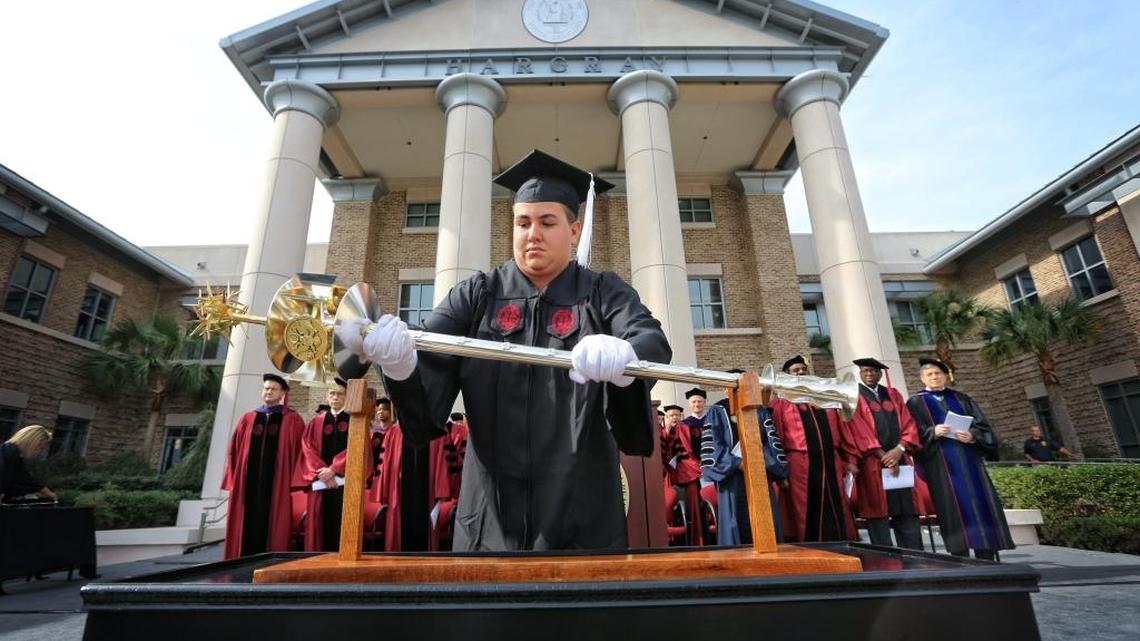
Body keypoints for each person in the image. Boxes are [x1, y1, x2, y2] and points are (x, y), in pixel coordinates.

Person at [339, 149, 671, 551]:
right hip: (489, 517)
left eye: (548, 222)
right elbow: (427, 375)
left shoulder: (603, 292)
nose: (533, 233)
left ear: (574, 229)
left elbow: (650, 337)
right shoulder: (477, 295)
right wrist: (400, 365)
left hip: (583, 513)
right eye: (523, 222)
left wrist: (626, 356)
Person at [906, 358, 1014, 560]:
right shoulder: (915, 403)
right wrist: (932, 431)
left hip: (970, 462)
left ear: (945, 376)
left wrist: (973, 436)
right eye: (929, 374)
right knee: (951, 507)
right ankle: (959, 555)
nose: (934, 377)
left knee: (979, 505)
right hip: (942, 467)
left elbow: (984, 427)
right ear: (922, 378)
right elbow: (910, 433)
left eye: (938, 373)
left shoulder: (962, 399)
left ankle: (986, 554)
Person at [769, 355, 857, 542]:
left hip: (830, 460)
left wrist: (849, 460)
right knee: (804, 505)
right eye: (795, 370)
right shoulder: (781, 403)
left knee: (838, 501)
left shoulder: (825, 398)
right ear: (788, 376)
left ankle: (842, 541)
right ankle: (810, 545)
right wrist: (780, 471)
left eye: (803, 369)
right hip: (800, 463)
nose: (801, 372)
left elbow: (844, 433)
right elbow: (777, 437)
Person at [221, 373, 306, 560]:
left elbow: (301, 452)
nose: (268, 392)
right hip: (247, 483)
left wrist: (293, 480)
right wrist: (235, 476)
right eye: (266, 388)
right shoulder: (248, 418)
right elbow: (233, 450)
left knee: (274, 524)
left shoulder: (292, 420)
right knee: (245, 523)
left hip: (276, 484)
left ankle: (271, 562)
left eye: (273, 389)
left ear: (283, 393)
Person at [844, 357, 923, 550]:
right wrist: (884, 457)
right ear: (860, 374)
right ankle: (884, 558)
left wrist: (899, 449)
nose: (869, 374)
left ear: (880, 374)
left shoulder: (893, 395)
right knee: (877, 512)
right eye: (865, 371)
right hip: (873, 464)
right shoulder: (854, 397)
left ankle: (914, 555)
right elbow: (858, 429)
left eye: (873, 371)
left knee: (906, 509)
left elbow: (909, 423)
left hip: (900, 460)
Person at [293, 378, 373, 552]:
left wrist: (334, 469)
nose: (335, 397)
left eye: (339, 394)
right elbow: (307, 449)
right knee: (319, 526)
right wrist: (322, 472)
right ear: (327, 397)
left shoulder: (356, 422)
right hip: (321, 483)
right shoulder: (316, 422)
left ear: (347, 397)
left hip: (346, 485)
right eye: (332, 393)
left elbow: (358, 448)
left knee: (345, 523)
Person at [660, 403, 703, 545]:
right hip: (672, 474)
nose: (674, 418)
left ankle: (697, 540)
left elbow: (692, 451)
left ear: (681, 416)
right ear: (666, 417)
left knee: (694, 506)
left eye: (677, 415)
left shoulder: (687, 429)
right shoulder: (663, 433)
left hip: (689, 472)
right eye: (671, 415)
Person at [0, 425, 56, 503]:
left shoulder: (9, 451)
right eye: (41, 446)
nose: (40, 450)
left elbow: (23, 477)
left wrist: (45, 491)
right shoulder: (11, 454)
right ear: (35, 442)